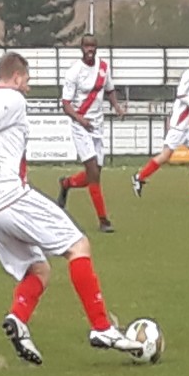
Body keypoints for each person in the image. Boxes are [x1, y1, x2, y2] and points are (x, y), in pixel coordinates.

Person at [0, 52, 141, 365]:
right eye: (28, 81)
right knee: (78, 245)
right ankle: (102, 327)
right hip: (13, 199)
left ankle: (18, 319)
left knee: (39, 269)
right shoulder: (11, 99)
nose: (29, 88)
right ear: (17, 77)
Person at [56, 35, 126, 233]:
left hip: (97, 127)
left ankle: (67, 183)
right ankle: (103, 220)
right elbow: (66, 104)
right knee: (94, 175)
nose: (90, 49)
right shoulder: (74, 72)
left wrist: (117, 107)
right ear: (81, 48)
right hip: (80, 127)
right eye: (87, 46)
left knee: (93, 174)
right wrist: (80, 120)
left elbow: (110, 90)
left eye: (93, 46)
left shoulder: (103, 67)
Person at [131, 48, 189, 202]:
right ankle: (139, 177)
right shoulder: (188, 75)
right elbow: (180, 95)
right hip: (178, 125)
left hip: (185, 125)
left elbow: (183, 101)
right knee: (166, 156)